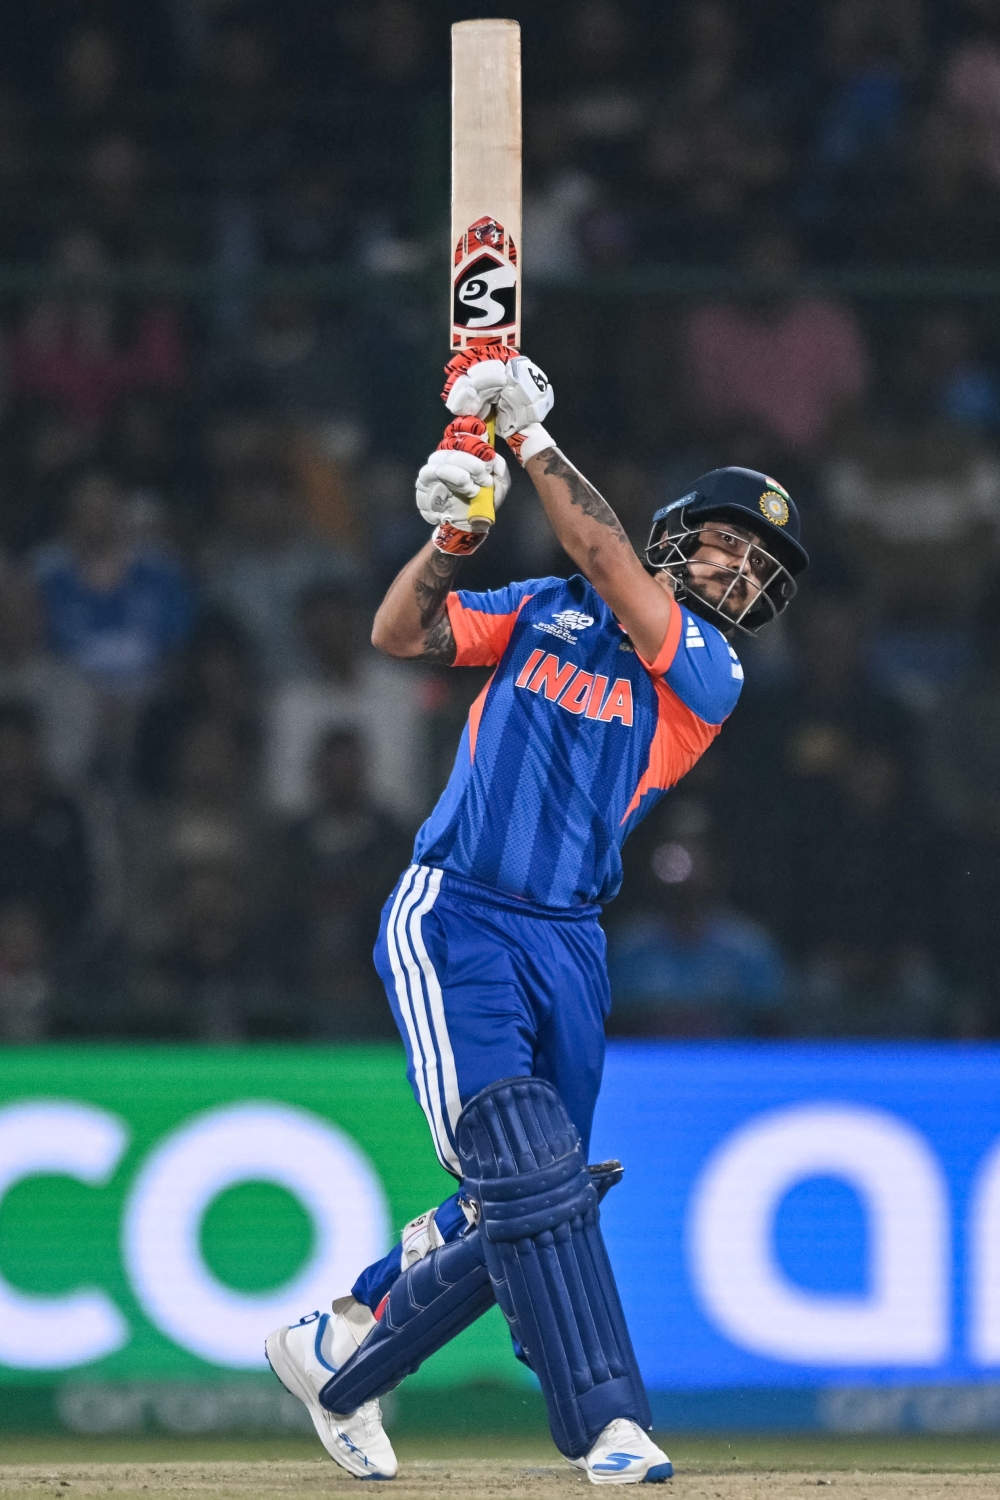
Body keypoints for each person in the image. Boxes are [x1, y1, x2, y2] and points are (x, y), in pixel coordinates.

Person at [265, 351, 808, 1482]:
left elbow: (602, 553)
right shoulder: (541, 608)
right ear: (677, 534)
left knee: (528, 1200)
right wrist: (452, 540)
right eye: (726, 542)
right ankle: (609, 1424)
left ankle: (343, 1347)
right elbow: (399, 635)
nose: (741, 569)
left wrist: (528, 435)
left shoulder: (708, 670)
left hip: (569, 941)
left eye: (758, 565)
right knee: (529, 1176)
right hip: (458, 913)